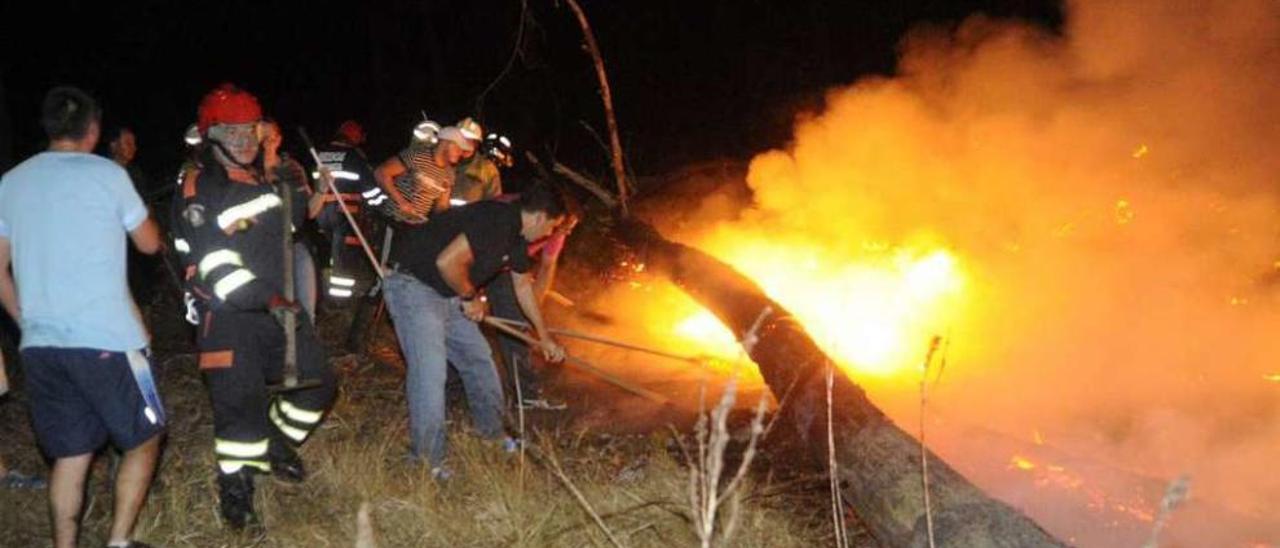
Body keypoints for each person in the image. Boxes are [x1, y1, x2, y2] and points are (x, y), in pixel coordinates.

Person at [0, 86, 164, 548]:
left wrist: (25, 320)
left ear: (49, 128)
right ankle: (118, 541)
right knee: (147, 436)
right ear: (93, 130)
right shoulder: (109, 176)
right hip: (109, 341)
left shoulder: (12, 182)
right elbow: (150, 243)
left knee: (71, 456)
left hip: (42, 347)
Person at [174, 83, 336, 529]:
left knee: (319, 381)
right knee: (239, 406)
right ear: (211, 135)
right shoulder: (200, 186)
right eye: (232, 131)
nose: (244, 138)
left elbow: (292, 219)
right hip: (227, 317)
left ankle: (274, 442)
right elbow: (214, 263)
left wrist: (291, 175)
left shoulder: (263, 176)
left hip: (276, 308)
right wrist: (269, 298)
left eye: (251, 128)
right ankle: (236, 494)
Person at [381, 184, 567, 477]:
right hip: (413, 288)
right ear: (540, 217)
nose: (548, 235)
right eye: (552, 227)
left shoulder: (516, 240)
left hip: (447, 294)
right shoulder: (497, 220)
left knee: (480, 361)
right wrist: (469, 297)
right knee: (430, 373)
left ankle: (492, 436)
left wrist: (542, 337)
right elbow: (448, 262)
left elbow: (523, 287)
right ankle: (427, 461)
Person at [487, 198, 578, 410]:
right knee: (514, 325)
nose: (564, 232)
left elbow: (546, 268)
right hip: (486, 261)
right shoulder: (510, 216)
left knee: (519, 323)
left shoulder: (555, 232)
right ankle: (526, 394)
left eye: (570, 228)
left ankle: (524, 390)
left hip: (510, 266)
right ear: (546, 216)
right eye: (562, 226)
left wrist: (533, 312)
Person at [261, 119, 321, 321]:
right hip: (265, 251)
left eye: (271, 137)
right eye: (261, 137)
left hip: (296, 246)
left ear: (279, 139)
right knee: (273, 317)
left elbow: (310, 212)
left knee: (306, 313)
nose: (267, 142)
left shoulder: (293, 168)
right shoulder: (247, 172)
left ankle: (306, 350)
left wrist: (322, 189)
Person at [373, 125, 473, 223]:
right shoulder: (417, 156)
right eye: (458, 148)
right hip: (391, 219)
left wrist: (449, 219)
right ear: (445, 143)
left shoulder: (449, 174)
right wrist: (402, 202)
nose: (461, 153)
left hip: (415, 227)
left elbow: (441, 206)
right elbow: (381, 173)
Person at [451, 121, 505, 206]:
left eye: (470, 140)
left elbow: (494, 205)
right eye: (461, 139)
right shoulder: (444, 161)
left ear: (476, 143)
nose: (465, 144)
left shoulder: (488, 170)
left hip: (471, 218)